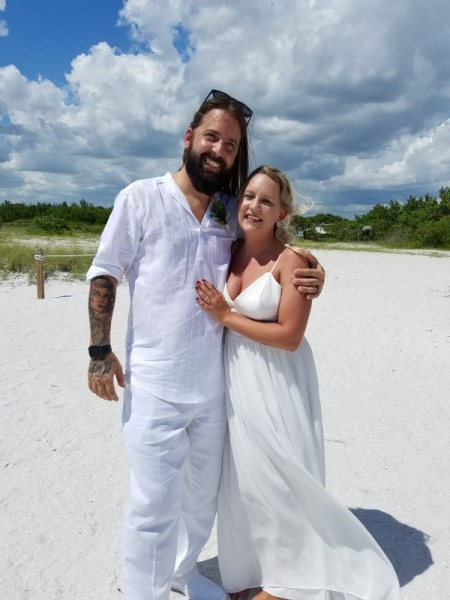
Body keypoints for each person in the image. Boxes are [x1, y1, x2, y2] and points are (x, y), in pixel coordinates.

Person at [86, 92, 325, 600]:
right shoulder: (141, 197)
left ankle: (183, 573)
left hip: (214, 386)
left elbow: (272, 250)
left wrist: (314, 271)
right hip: (154, 382)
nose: (220, 149)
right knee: (153, 504)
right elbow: (104, 272)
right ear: (189, 138)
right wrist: (98, 352)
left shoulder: (228, 210)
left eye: (232, 144)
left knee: (200, 500)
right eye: (212, 137)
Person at [196, 165, 401, 600]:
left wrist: (227, 316)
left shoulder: (294, 261)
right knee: (244, 481)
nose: (253, 206)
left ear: (282, 213)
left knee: (281, 477)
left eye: (266, 201)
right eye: (249, 196)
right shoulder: (225, 248)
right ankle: (251, 569)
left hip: (277, 378)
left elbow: (290, 337)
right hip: (235, 377)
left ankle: (293, 581)